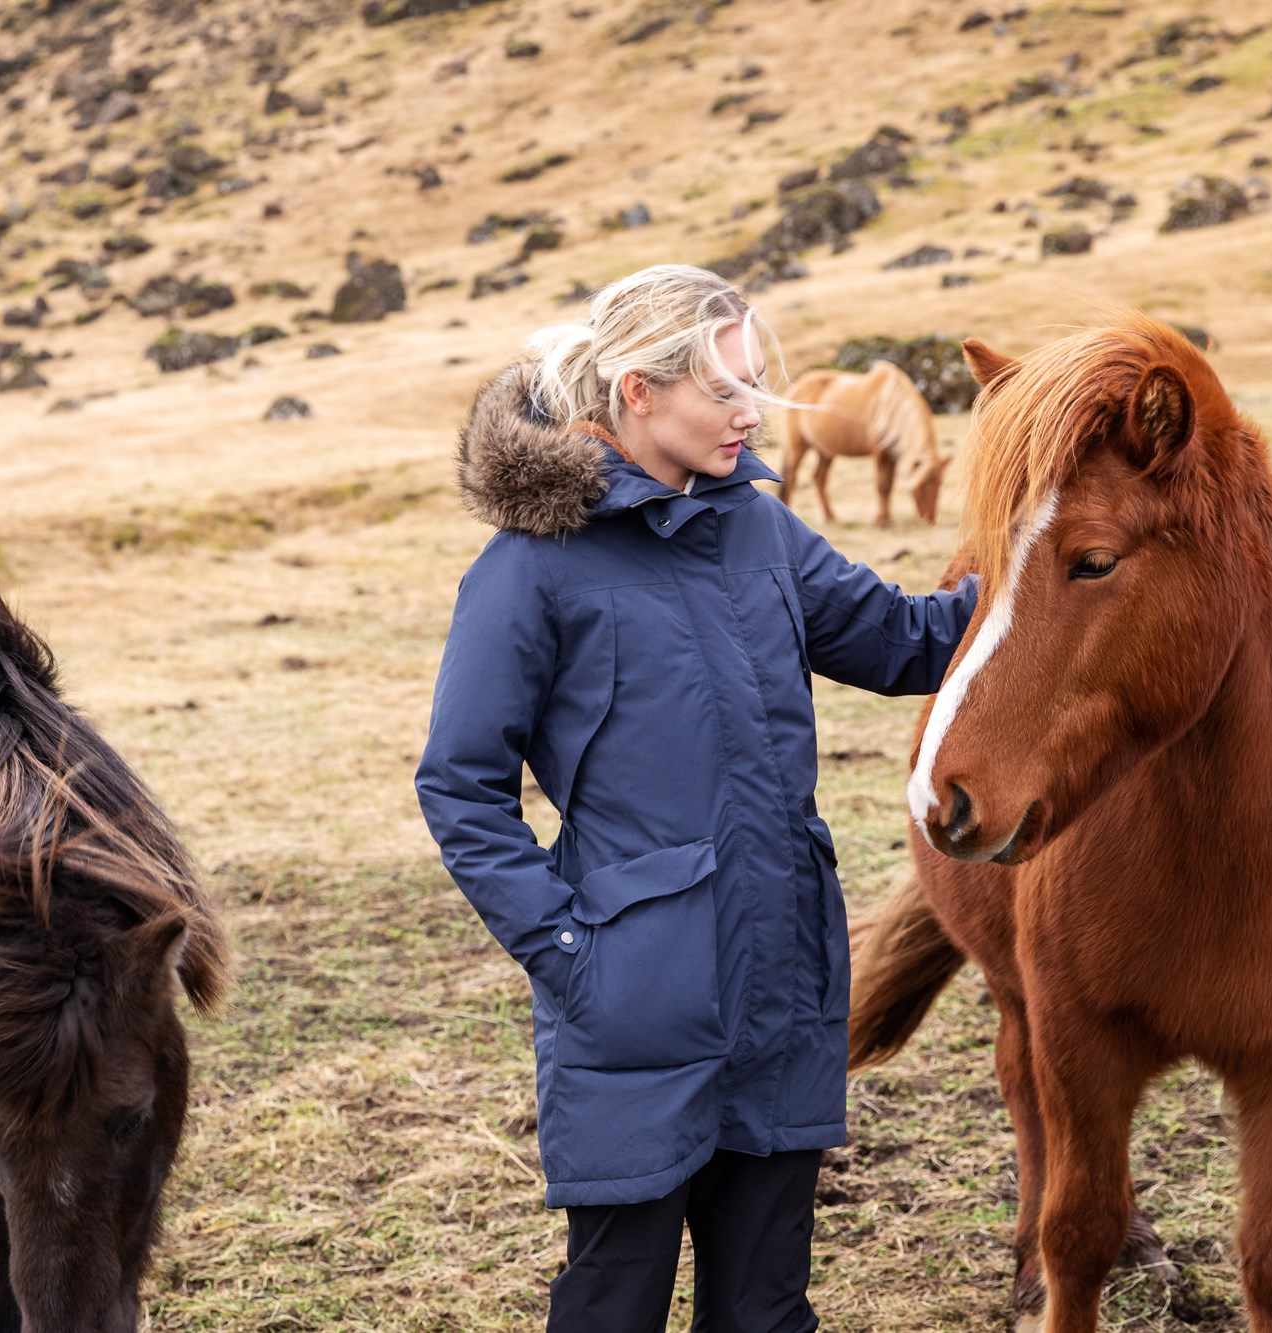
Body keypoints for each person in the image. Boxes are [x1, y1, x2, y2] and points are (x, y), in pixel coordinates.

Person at [414, 264, 980, 1333]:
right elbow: (460, 785)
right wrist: (566, 952)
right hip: (632, 1001)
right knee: (613, 1304)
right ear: (637, 390)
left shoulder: (757, 529)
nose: (750, 412)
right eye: (724, 389)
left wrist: (1045, 561)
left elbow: (907, 642)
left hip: (783, 984)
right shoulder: (531, 567)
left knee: (765, 1311)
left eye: (755, 385)